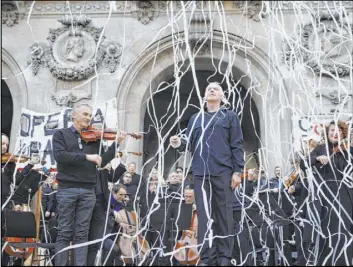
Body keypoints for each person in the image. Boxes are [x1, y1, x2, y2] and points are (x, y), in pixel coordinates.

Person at [170, 82, 245, 266]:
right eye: (208, 88)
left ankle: (224, 257)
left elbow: (237, 144)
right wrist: (178, 142)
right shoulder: (195, 118)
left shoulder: (230, 117)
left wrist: (237, 171)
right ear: (204, 96)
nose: (211, 89)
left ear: (222, 96)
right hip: (201, 174)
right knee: (204, 216)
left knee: (224, 215)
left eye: (216, 88)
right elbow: (188, 143)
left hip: (223, 172)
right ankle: (207, 257)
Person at [52, 103, 126, 266]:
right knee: (64, 232)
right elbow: (60, 156)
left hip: (88, 191)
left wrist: (116, 144)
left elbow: (102, 162)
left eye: (90, 115)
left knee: (82, 233)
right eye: (85, 114)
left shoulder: (94, 139)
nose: (88, 118)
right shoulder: (60, 134)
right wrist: (86, 157)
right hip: (67, 189)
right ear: (74, 116)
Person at [300, 120, 353, 266]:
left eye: (339, 131)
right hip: (324, 197)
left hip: (344, 195)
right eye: (332, 130)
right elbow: (303, 163)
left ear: (343, 133)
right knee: (325, 232)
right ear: (327, 133)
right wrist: (316, 158)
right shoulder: (320, 148)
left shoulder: (348, 150)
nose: (335, 133)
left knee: (343, 231)